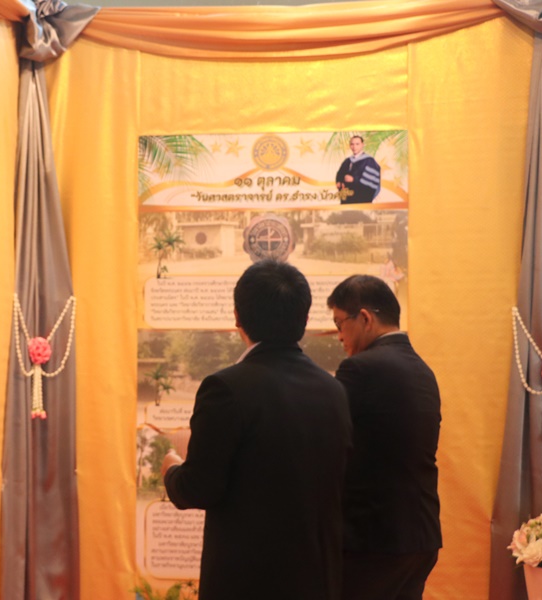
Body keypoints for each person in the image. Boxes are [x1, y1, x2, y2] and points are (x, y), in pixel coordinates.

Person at [162, 259, 352, 600]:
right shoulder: (333, 390)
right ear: (305, 319)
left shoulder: (225, 388)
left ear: (237, 316)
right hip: (316, 579)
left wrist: (171, 469)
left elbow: (198, 489)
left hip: (247, 581)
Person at [327, 275, 442, 600]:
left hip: (373, 538)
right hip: (420, 534)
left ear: (365, 318)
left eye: (339, 324)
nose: (339, 336)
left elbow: (328, 438)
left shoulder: (360, 368)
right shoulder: (422, 370)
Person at [335, 135, 381, 204]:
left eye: (357, 144)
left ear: (362, 145)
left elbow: (371, 181)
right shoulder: (347, 161)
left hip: (361, 199)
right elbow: (340, 174)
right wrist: (339, 181)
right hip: (347, 198)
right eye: (352, 144)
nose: (354, 147)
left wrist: (354, 180)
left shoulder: (369, 161)